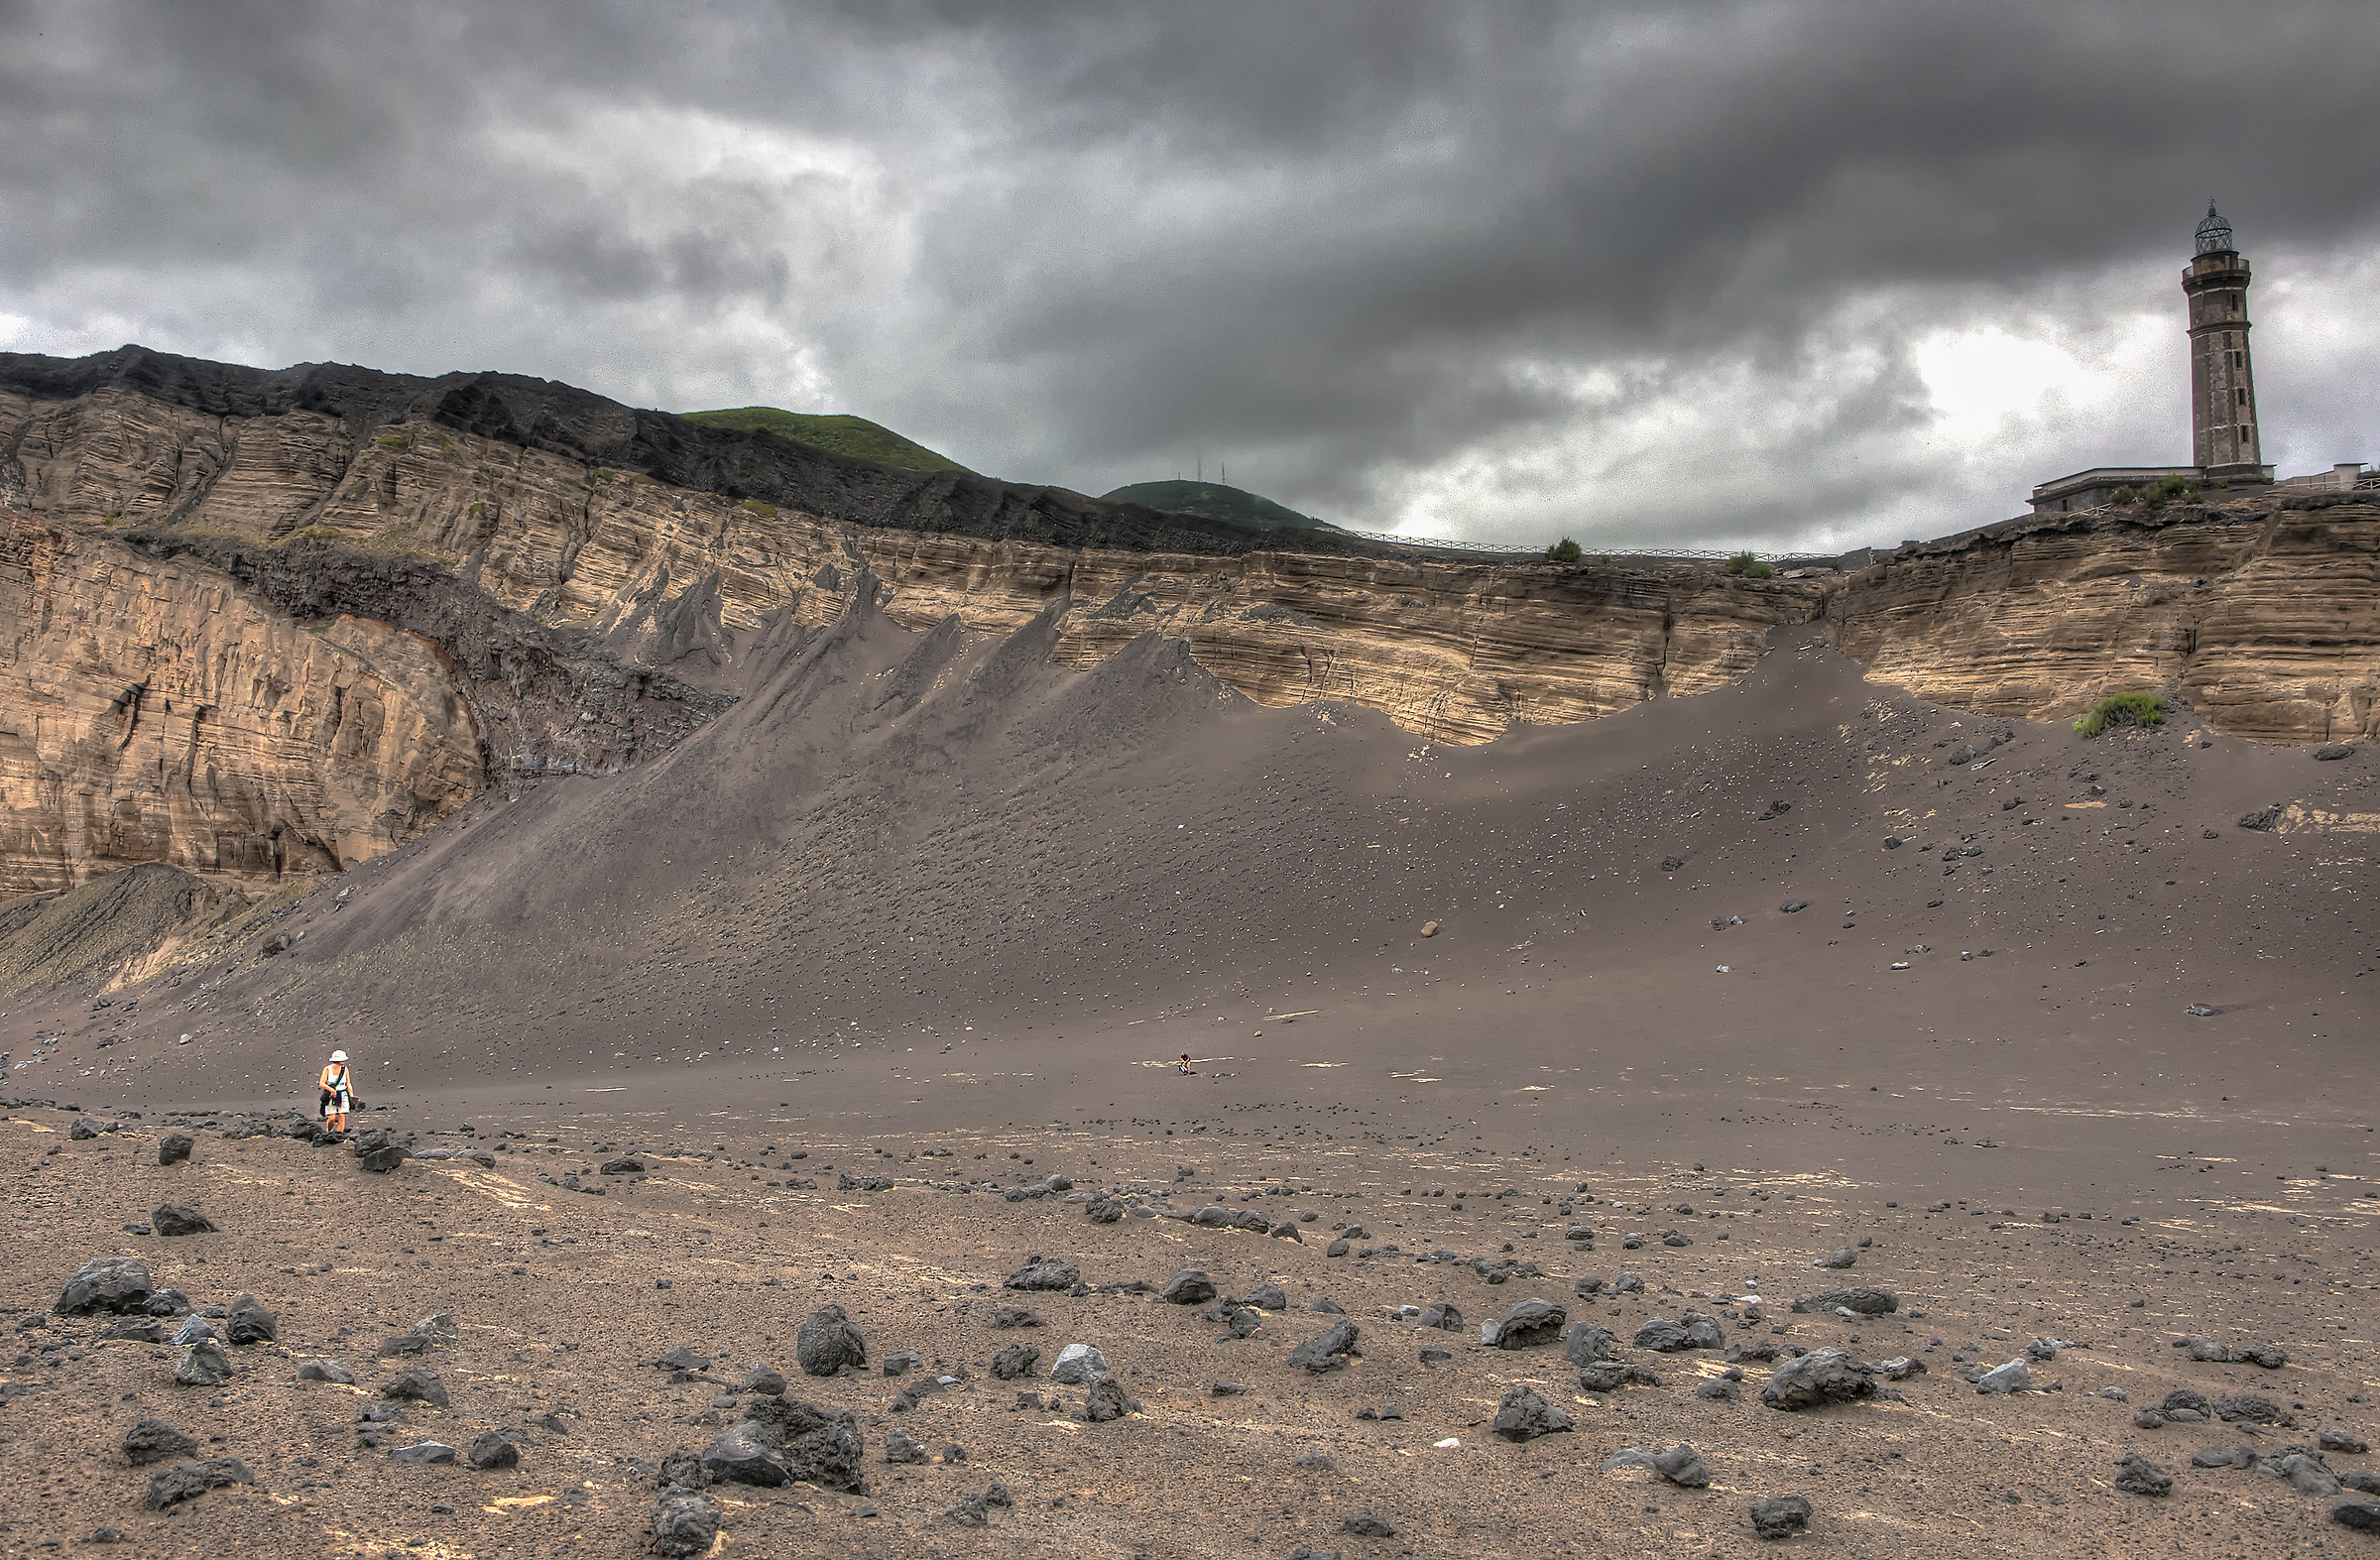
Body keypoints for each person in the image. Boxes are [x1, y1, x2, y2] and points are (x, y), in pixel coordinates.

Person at [318, 1049, 355, 1133]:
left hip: (343, 1094)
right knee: (332, 1117)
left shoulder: (345, 1070)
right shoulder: (327, 1069)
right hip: (331, 1095)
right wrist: (332, 1090)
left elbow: (348, 1083)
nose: (343, 1061)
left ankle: (339, 1135)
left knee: (341, 1116)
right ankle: (329, 1131)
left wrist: (352, 1096)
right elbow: (322, 1083)